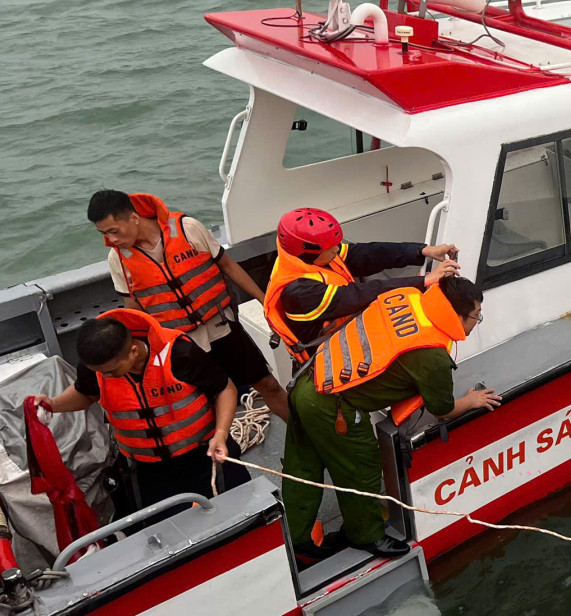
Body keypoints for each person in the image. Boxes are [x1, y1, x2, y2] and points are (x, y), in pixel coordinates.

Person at [284, 277, 501, 564]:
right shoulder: (431, 355)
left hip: (308, 380)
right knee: (360, 468)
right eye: (476, 316)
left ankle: (296, 541)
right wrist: (472, 400)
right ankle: (366, 535)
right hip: (334, 406)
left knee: (303, 466)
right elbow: (442, 408)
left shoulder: (407, 297)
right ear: (458, 316)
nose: (477, 321)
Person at [87, 190, 290, 421]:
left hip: (222, 327)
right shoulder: (117, 260)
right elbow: (135, 311)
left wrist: (266, 302)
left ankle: (304, 436)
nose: (111, 240)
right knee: (206, 407)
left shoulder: (187, 228)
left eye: (114, 231)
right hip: (182, 345)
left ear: (133, 218)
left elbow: (228, 266)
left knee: (268, 384)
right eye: (104, 234)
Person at [35, 309, 250, 510]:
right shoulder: (97, 367)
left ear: (133, 352)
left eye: (111, 371)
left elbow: (224, 389)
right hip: (147, 469)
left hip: (205, 455)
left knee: (237, 508)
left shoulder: (179, 354)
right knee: (164, 527)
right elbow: (85, 394)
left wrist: (221, 434)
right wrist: (53, 405)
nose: (105, 376)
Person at [264, 207, 461, 364]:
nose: (337, 249)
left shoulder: (304, 256)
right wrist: (424, 281)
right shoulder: (299, 291)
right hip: (328, 360)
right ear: (308, 251)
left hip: (347, 338)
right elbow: (359, 294)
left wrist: (421, 251)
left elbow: (368, 254)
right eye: (331, 247)